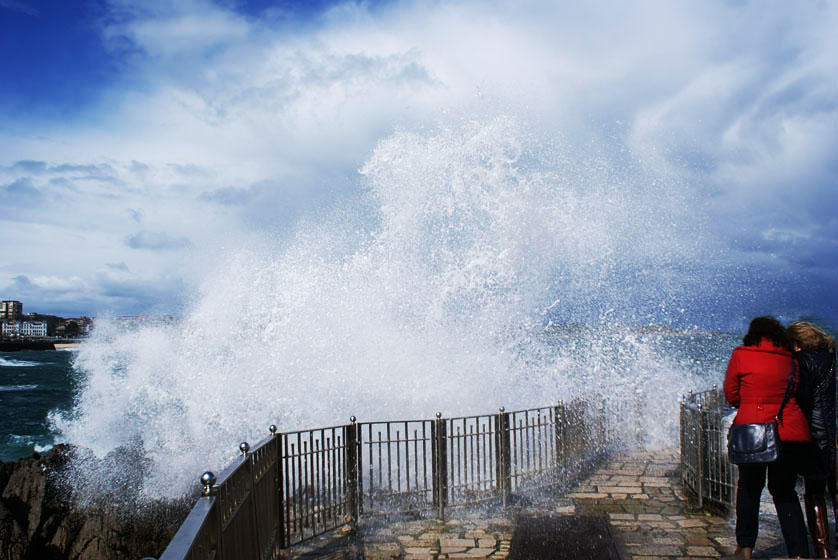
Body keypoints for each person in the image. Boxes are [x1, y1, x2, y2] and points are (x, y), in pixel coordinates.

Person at [724, 316, 810, 559]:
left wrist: (751, 404)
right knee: (784, 492)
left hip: (754, 432)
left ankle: (746, 548)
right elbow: (795, 392)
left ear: (754, 334)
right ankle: (799, 553)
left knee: (749, 489)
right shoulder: (791, 360)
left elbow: (731, 393)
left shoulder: (742, 354)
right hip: (791, 433)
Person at [787, 321, 836, 558]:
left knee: (815, 492)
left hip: (816, 436)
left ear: (797, 344)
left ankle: (822, 549)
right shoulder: (831, 358)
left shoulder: (802, 363)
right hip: (834, 432)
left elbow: (799, 397)